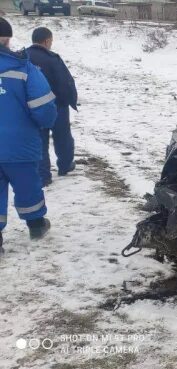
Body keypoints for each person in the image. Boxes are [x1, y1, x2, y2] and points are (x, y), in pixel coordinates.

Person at [0, 17, 58, 254]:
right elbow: (44, 109)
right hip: (20, 145)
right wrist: (45, 124)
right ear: (8, 38)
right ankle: (36, 225)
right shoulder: (23, 68)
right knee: (28, 186)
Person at [27, 27, 78, 186]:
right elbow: (65, 83)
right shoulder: (52, 58)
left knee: (39, 140)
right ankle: (64, 165)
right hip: (56, 106)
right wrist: (68, 100)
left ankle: (43, 176)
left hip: (32, 108)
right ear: (47, 41)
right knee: (62, 137)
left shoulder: (22, 57)